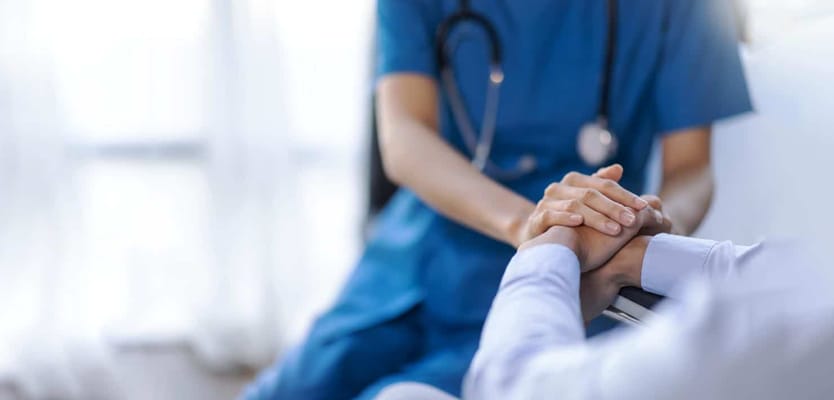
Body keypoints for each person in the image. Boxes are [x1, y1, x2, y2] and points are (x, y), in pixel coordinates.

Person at [241, 0, 751, 398]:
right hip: (426, 248)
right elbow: (404, 138)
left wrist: (651, 227)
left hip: (579, 271)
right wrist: (530, 226)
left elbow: (691, 169)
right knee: (291, 389)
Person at [376, 206, 834, 400]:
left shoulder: (776, 337)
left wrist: (551, 246)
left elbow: (512, 388)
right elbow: (785, 269)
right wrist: (634, 257)